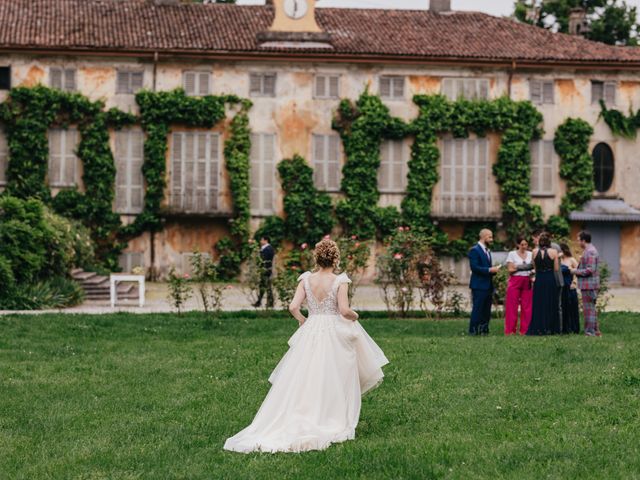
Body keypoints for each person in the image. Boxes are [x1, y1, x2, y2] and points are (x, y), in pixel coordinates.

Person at [224, 239, 389, 453]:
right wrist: (356, 315)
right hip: (333, 331)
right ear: (335, 258)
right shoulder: (340, 280)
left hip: (312, 329)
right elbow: (344, 310)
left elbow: (293, 306)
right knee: (334, 375)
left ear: (316, 258)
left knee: (304, 374)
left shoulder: (306, 279)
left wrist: (303, 321)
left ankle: (301, 412)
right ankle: (330, 415)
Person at [468, 229, 501, 336]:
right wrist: (489, 270)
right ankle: (473, 331)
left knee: (486, 310)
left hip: (488, 285)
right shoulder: (475, 250)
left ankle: (484, 330)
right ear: (484, 237)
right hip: (478, 285)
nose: (492, 239)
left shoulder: (487, 250)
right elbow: (475, 267)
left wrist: (493, 271)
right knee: (478, 309)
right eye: (490, 237)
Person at [527, 232, 561, 335]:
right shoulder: (554, 252)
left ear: (539, 242)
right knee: (550, 302)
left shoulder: (534, 251)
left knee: (539, 303)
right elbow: (556, 269)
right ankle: (550, 328)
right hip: (550, 278)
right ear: (549, 241)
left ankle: (538, 327)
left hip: (540, 279)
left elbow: (535, 268)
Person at [571, 231, 601, 337]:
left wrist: (575, 271)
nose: (578, 242)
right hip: (589, 284)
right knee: (591, 309)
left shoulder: (590, 251)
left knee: (589, 310)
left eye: (579, 240)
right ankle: (596, 331)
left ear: (584, 240)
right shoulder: (588, 250)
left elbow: (590, 270)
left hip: (589, 285)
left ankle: (589, 332)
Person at [504, 236, 533, 335]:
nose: (524, 246)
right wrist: (526, 267)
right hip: (515, 280)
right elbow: (510, 270)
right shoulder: (512, 254)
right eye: (522, 244)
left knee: (527, 306)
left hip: (527, 280)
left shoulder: (531, 254)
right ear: (517, 245)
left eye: (526, 244)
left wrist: (518, 267)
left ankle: (525, 330)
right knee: (512, 306)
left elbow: (533, 268)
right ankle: (510, 330)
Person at [559, 243, 580, 334]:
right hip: (561, 286)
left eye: (560, 251)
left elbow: (578, 271)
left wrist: (574, 282)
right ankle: (564, 328)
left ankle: (573, 327)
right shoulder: (558, 260)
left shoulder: (571, 260)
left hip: (570, 285)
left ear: (564, 250)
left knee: (571, 306)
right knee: (562, 307)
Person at [253, 236, 274, 308]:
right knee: (265, 286)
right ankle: (263, 302)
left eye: (261, 240)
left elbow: (265, 259)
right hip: (265, 269)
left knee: (265, 286)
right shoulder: (265, 248)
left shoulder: (268, 249)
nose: (260, 241)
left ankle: (262, 302)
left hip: (266, 269)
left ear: (266, 240)